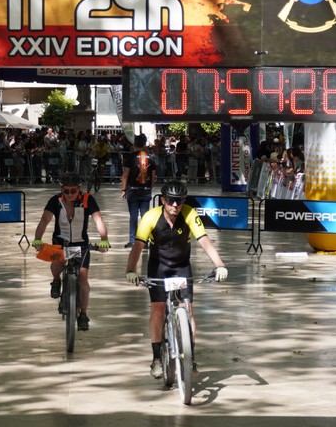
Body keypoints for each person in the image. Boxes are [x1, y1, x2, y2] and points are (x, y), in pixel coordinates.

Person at [124, 181, 228, 380]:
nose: (175, 205)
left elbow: (204, 240)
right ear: (163, 200)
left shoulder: (189, 213)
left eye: (179, 201)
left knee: (188, 310)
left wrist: (219, 265)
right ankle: (156, 358)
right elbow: (138, 245)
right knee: (157, 309)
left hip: (181, 266)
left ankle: (191, 356)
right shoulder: (150, 217)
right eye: (171, 200)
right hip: (158, 267)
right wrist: (131, 270)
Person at [31, 172, 110, 332]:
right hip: (61, 242)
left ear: (79, 189)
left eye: (73, 190)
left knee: (83, 277)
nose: (69, 194)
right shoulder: (55, 201)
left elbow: (98, 220)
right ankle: (56, 281)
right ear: (62, 190)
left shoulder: (88, 199)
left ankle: (83, 314)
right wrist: (37, 239)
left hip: (81, 244)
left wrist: (104, 239)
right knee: (57, 261)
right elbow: (45, 220)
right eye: (66, 191)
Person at [121, 133, 157, 248]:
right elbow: (153, 175)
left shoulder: (130, 157)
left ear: (134, 144)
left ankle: (132, 240)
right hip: (146, 189)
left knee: (133, 216)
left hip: (133, 190)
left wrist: (123, 189)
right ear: (144, 144)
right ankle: (144, 241)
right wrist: (150, 188)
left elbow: (125, 175)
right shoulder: (150, 157)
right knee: (145, 216)